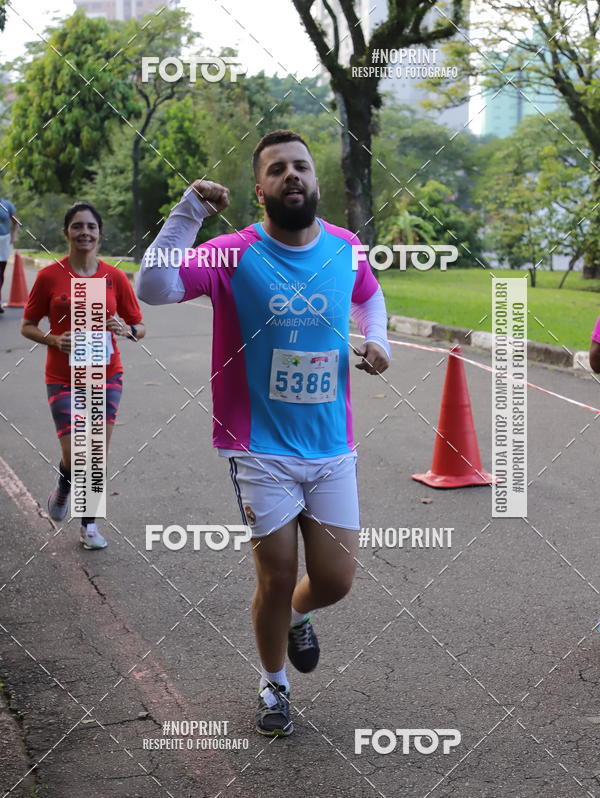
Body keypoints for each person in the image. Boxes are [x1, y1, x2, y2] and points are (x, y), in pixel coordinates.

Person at [137, 129, 390, 736]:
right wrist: (188, 211)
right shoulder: (233, 252)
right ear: (260, 189)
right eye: (277, 170)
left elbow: (371, 297)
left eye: (300, 166)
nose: (292, 176)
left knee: (334, 578)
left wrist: (377, 339)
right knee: (276, 573)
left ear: (316, 180)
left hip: (331, 444)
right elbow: (153, 287)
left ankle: (299, 617)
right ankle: (274, 684)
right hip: (259, 447)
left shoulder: (346, 248)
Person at [21, 202, 146, 549]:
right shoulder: (50, 276)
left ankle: (88, 526)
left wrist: (125, 328)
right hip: (62, 375)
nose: (85, 232)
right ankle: (64, 485)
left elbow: (140, 327)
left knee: (94, 453)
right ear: (67, 232)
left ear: (100, 234)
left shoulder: (115, 277)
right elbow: (27, 325)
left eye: (91, 227)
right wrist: (52, 339)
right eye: (77, 226)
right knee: (76, 455)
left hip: (106, 374)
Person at [0, 196, 20, 312]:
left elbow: (16, 222)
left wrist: (14, 235)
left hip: (4, 241)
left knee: (1, 271)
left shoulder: (7, 205)